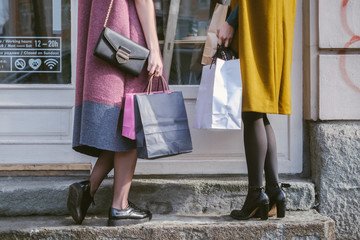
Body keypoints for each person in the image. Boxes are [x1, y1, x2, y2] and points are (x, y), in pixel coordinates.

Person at [67, 0, 163, 226]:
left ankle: (88, 189)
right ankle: (119, 206)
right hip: (126, 45)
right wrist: (154, 49)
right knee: (130, 123)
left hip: (105, 44)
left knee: (120, 126)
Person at [217, 1, 297, 220]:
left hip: (255, 16)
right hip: (272, 15)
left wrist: (231, 20)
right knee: (259, 109)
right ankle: (273, 190)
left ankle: (256, 192)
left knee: (252, 108)